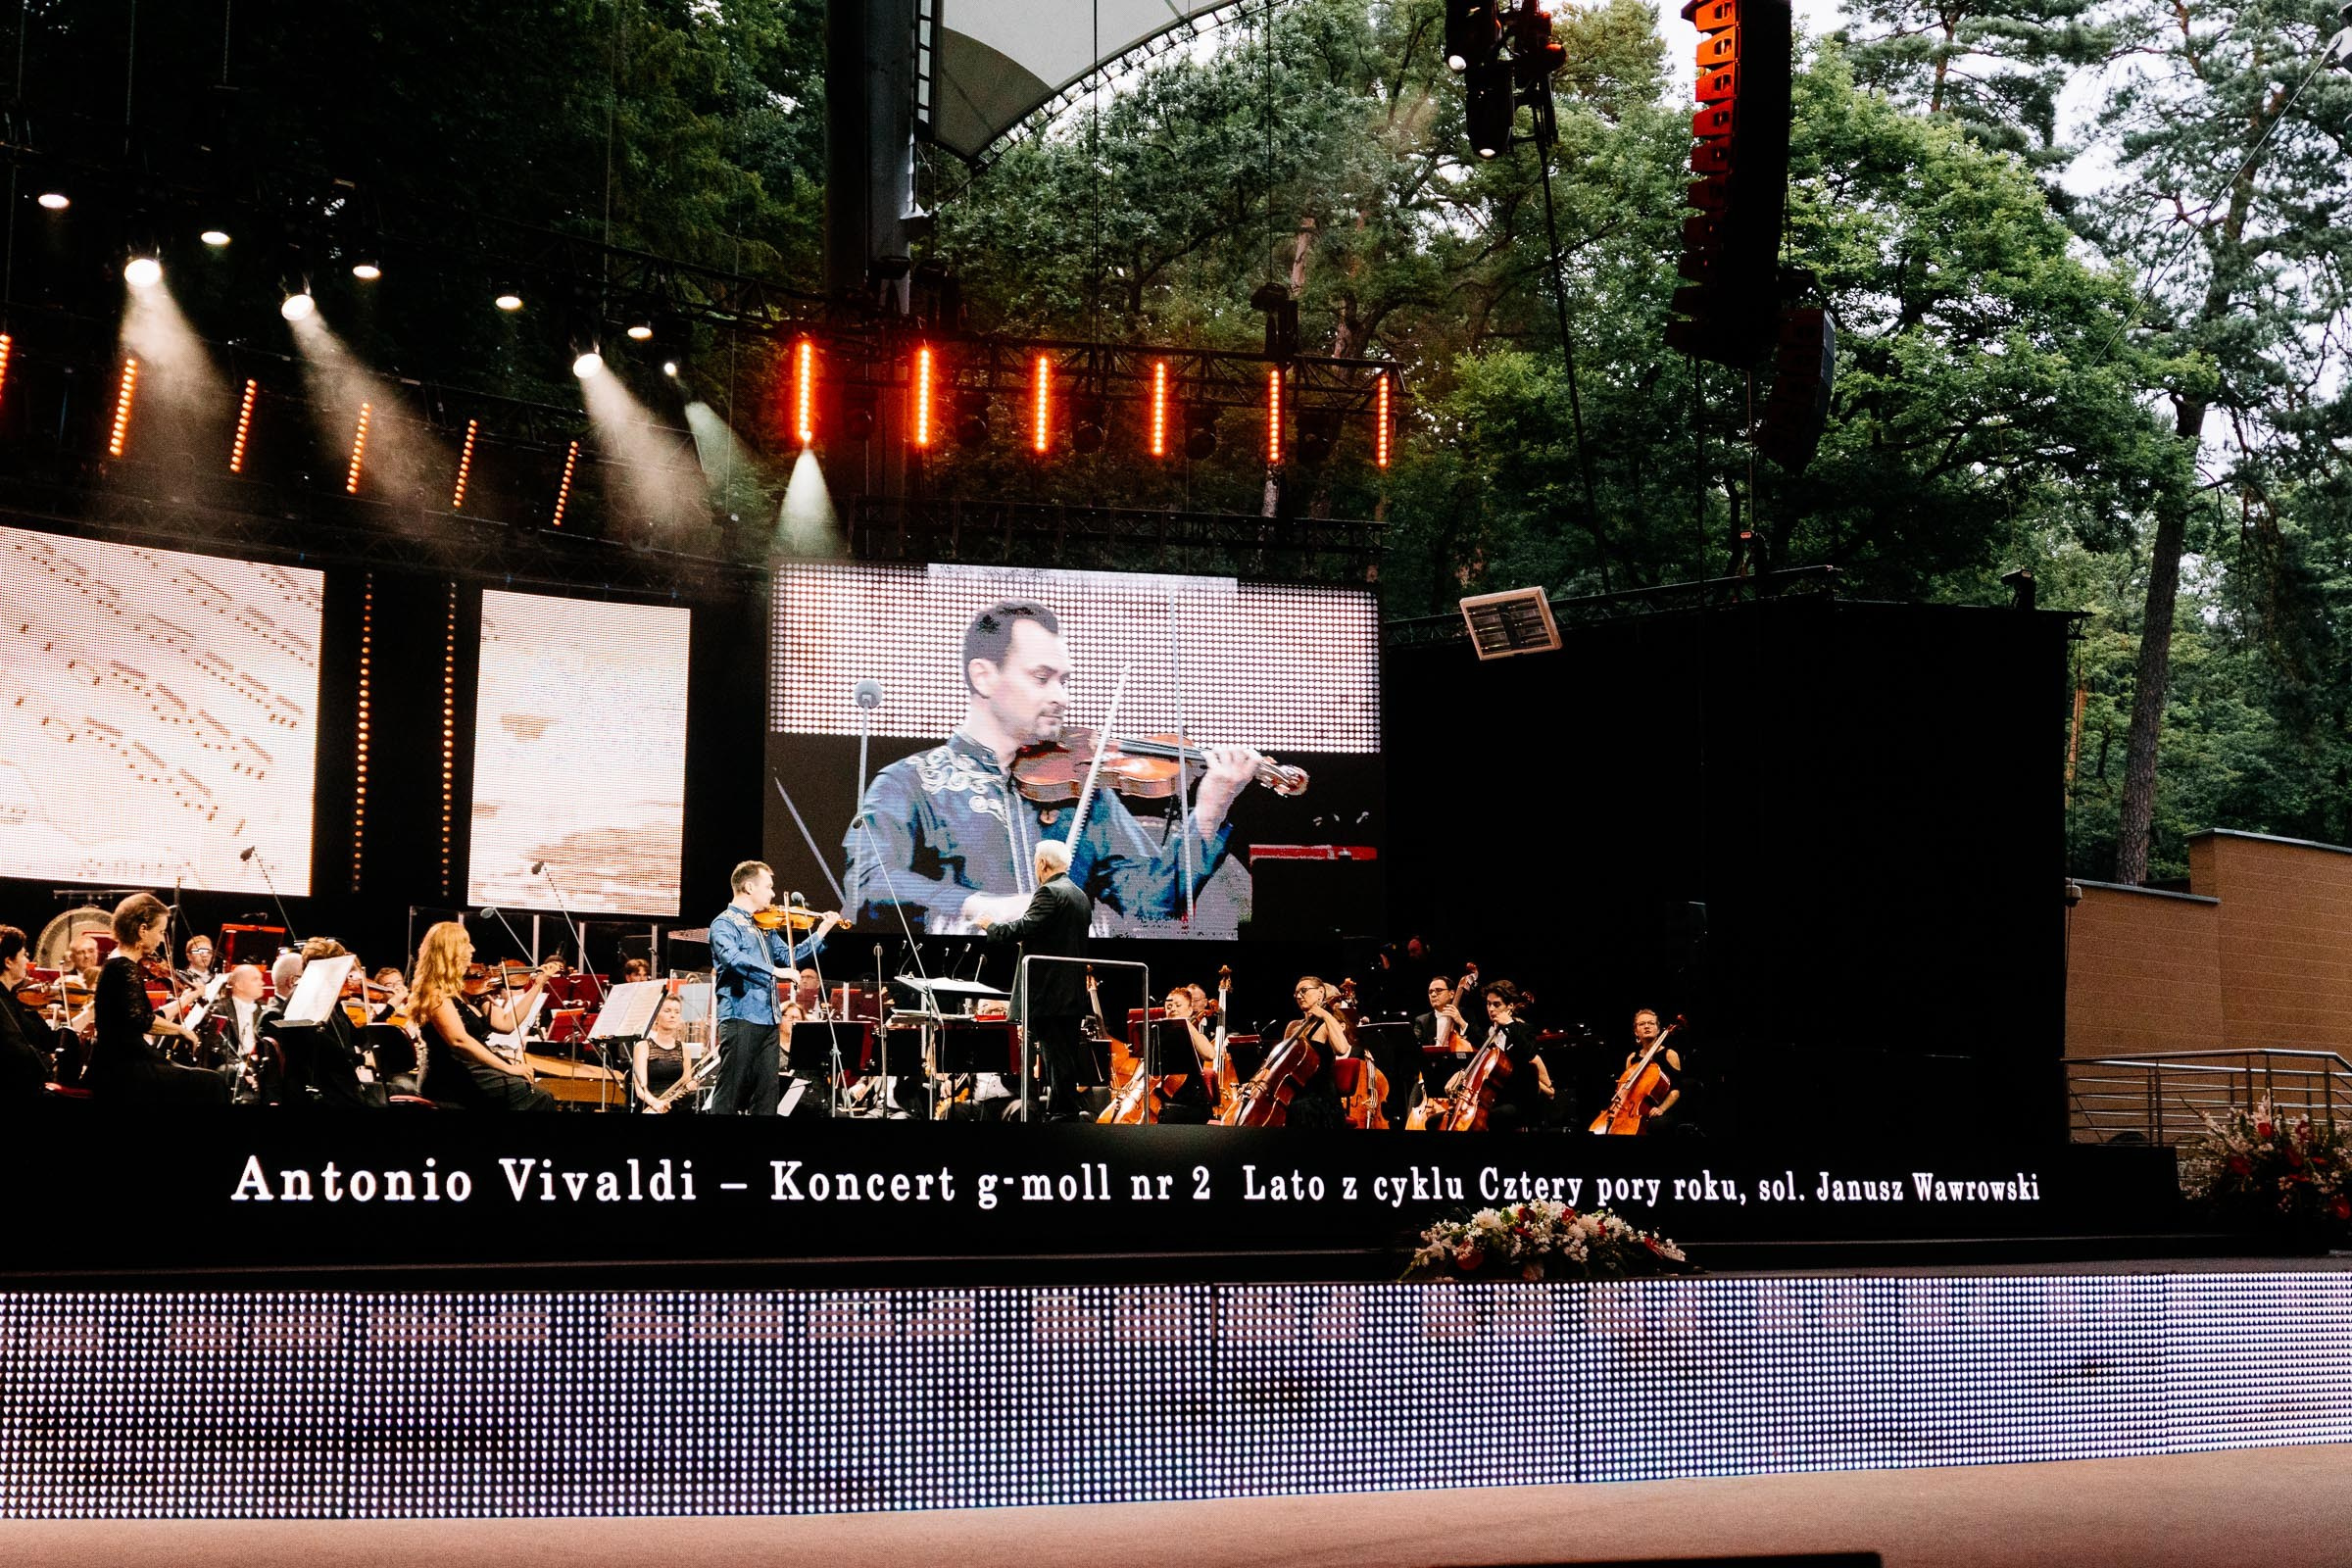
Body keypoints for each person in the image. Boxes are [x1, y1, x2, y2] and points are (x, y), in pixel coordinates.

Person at [843, 599, 1266, 937]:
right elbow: (867, 884)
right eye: (1042, 677)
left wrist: (1209, 811)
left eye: (1064, 680)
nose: (1061, 696)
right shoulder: (910, 781)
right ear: (984, 676)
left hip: (1064, 992)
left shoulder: (1084, 786)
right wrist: (977, 905)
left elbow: (1152, 902)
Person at [707, 861, 841, 1116]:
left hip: (769, 1019)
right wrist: (775, 972)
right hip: (740, 1016)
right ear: (748, 887)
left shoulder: (764, 926)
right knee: (731, 1091)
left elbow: (791, 956)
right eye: (768, 887)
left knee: (768, 1094)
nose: (773, 894)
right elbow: (732, 959)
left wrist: (821, 931)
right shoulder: (724, 923)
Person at [975, 838, 1094, 1120]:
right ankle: (1061, 1111)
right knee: (1061, 1056)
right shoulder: (1079, 895)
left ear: (1042, 863)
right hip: (1070, 991)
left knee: (1055, 1056)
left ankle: (1063, 1113)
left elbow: (1024, 927)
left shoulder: (1049, 892)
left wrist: (992, 926)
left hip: (1049, 992)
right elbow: (1056, 938)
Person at [85, 894, 229, 1108]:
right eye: (160, 931)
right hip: (123, 1068)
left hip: (121, 1062)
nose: (162, 939)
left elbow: (148, 1016)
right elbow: (142, 1021)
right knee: (212, 1083)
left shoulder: (118, 964)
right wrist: (181, 1030)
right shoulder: (123, 967)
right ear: (142, 930)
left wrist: (188, 997)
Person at [409, 921, 554, 1111]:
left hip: (472, 1070)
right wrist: (507, 1068)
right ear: (450, 951)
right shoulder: (436, 993)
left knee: (534, 1089)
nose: (473, 949)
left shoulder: (469, 991)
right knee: (539, 1097)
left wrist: (537, 986)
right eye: (466, 944)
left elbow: (507, 1023)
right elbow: (459, 1041)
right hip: (450, 1077)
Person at [1434, 980, 1553, 1132]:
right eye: (1488, 1004)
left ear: (1510, 1006)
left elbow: (1529, 1053)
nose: (1491, 1009)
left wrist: (1510, 1025)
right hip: (1494, 1098)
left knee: (1493, 1118)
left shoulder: (1523, 1029)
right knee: (1434, 1121)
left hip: (1517, 1098)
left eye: (1496, 1005)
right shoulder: (1491, 1032)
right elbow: (1484, 1047)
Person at [0, 925, 56, 1101]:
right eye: (24, 955)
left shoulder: (12, 999)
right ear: (8, 962)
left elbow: (44, 1037)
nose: (28, 961)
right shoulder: (3, 1002)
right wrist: (49, 1061)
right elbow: (14, 1049)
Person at [632, 993, 708, 1113]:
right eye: (667, 1011)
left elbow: (685, 1081)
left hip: (675, 1105)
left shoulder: (684, 1049)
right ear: (657, 1016)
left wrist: (691, 1084)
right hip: (650, 1106)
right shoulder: (643, 1047)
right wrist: (655, 1103)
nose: (673, 1015)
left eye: (677, 1012)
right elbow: (641, 1090)